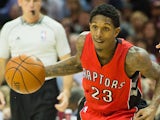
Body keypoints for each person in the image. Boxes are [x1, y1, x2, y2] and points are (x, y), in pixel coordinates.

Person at [45, 4, 160, 120]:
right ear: (90, 27)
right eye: (95, 27)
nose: (98, 34)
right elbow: (76, 63)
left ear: (116, 32)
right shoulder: (83, 42)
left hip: (124, 113)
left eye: (105, 28)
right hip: (91, 111)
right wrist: (43, 72)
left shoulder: (134, 56)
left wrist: (153, 107)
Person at [0, 0, 73, 120]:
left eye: (35, 0)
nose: (31, 4)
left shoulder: (55, 27)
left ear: (41, 2)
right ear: (19, 2)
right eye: (27, 0)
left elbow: (67, 62)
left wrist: (66, 91)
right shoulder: (9, 28)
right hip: (17, 86)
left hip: (46, 87)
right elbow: (1, 61)